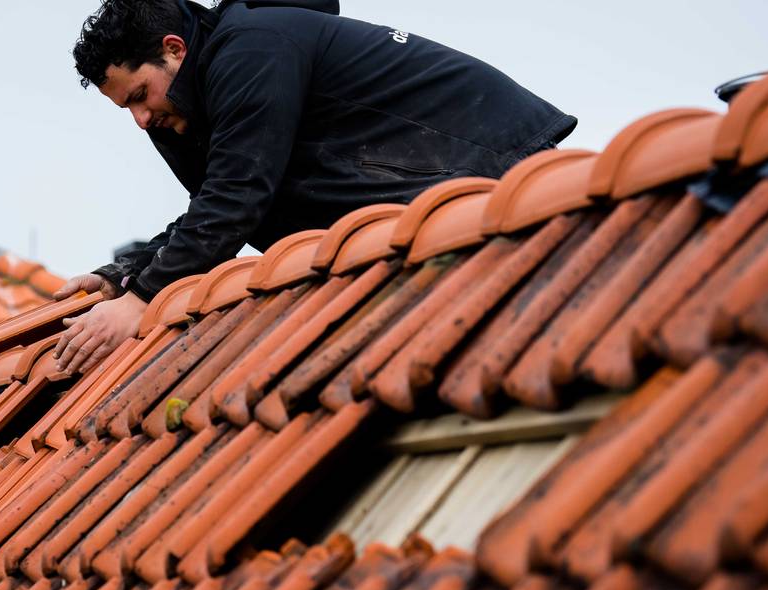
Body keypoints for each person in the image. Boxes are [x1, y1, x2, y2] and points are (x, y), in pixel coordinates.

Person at [53, 0, 576, 374]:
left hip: (495, 172)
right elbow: (213, 203)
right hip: (429, 206)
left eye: (140, 95)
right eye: (128, 109)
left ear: (174, 49)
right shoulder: (187, 110)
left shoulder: (252, 48)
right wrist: (125, 275)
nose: (141, 119)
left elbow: (238, 196)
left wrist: (141, 299)